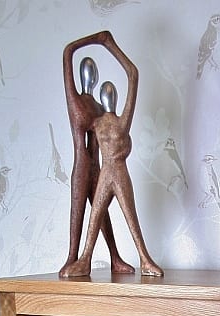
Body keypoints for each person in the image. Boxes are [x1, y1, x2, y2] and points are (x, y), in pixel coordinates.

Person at [60, 35, 162, 278]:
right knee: (103, 215)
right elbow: (133, 75)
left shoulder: (97, 118)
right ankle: (82, 258)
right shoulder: (93, 113)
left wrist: (106, 43)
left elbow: (133, 76)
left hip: (105, 170)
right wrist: (105, 43)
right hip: (98, 169)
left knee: (103, 215)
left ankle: (111, 258)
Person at [59, 32, 133, 277]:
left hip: (99, 168)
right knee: (80, 211)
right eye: (87, 70)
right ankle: (73, 257)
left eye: (92, 71)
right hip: (82, 165)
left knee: (100, 214)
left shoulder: (100, 109)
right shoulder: (76, 101)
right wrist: (99, 40)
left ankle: (114, 257)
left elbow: (110, 144)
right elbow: (68, 51)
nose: (90, 75)